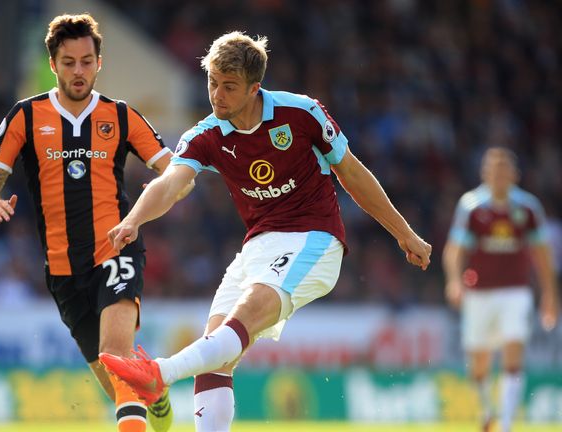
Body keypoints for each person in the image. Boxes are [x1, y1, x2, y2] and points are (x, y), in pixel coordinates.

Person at [99, 31, 432, 432]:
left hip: (314, 239)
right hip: (257, 247)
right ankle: (165, 380)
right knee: (216, 359)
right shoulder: (206, 134)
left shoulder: (302, 113)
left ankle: (159, 374)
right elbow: (169, 183)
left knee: (244, 315)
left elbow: (352, 173)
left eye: (229, 86)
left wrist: (404, 233)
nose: (216, 95)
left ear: (255, 88)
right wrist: (134, 219)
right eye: (212, 83)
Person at [0, 14, 189, 432]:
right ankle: (155, 393)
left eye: (87, 61)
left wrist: (159, 199)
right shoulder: (25, 116)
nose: (78, 71)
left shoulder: (122, 116)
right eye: (69, 62)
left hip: (117, 248)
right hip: (62, 271)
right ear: (52, 63)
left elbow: (174, 172)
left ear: (99, 62)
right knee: (117, 385)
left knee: (116, 355)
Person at [443, 147, 559, 432]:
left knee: (513, 349)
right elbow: (455, 250)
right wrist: (455, 280)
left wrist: (550, 294)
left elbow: (543, 255)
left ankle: (505, 425)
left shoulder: (528, 209)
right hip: (479, 293)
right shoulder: (472, 207)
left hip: (515, 292)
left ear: (515, 175)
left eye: (504, 170)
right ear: (485, 174)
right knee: (479, 364)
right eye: (493, 170)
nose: (498, 175)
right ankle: (487, 411)